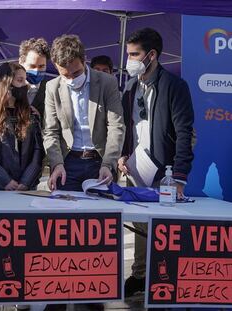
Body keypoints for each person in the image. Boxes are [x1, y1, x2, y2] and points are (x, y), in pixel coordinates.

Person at [118, 28, 194, 297]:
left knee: (165, 228)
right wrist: (122, 155)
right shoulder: (129, 87)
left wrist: (180, 175)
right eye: (128, 54)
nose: (129, 60)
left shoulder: (175, 86)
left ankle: (165, 278)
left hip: (166, 172)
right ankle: (139, 276)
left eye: (134, 55)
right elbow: (126, 128)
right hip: (134, 169)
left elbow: (186, 133)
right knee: (139, 226)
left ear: (152, 55)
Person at [44, 34, 125, 197]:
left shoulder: (107, 82)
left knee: (101, 216)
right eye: (65, 75)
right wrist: (57, 163)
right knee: (66, 217)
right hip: (67, 163)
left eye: (76, 73)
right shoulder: (52, 87)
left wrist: (108, 164)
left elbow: (116, 126)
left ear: (84, 59)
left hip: (99, 160)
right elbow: (50, 131)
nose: (72, 79)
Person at [0, 62, 43, 191]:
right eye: (20, 80)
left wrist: (26, 181)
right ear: (7, 83)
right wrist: (4, 180)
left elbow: (38, 150)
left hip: (27, 187)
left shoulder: (31, 113)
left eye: (25, 80)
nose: (25, 85)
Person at [18, 37, 50, 120]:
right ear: (21, 63)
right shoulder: (8, 87)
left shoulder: (53, 90)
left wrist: (40, 118)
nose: (37, 71)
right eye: (32, 66)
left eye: (41, 66)